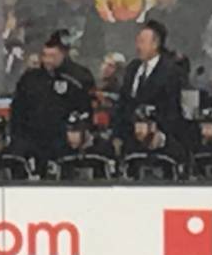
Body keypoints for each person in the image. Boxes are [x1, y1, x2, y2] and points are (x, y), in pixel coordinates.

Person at [9, 32, 97, 166]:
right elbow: (17, 109)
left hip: (63, 141)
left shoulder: (79, 77)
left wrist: (79, 131)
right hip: (33, 140)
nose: (47, 60)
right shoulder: (30, 78)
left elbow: (87, 109)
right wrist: (17, 137)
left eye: (53, 56)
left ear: (63, 55)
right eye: (45, 55)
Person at [51, 108, 118, 181]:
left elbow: (115, 178)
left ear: (86, 131)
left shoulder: (103, 148)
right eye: (69, 132)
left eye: (76, 132)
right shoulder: (62, 151)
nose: (71, 137)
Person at [118, 106, 182, 180]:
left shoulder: (173, 148)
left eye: (145, 123)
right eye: (137, 124)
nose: (139, 128)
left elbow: (183, 170)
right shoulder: (129, 146)